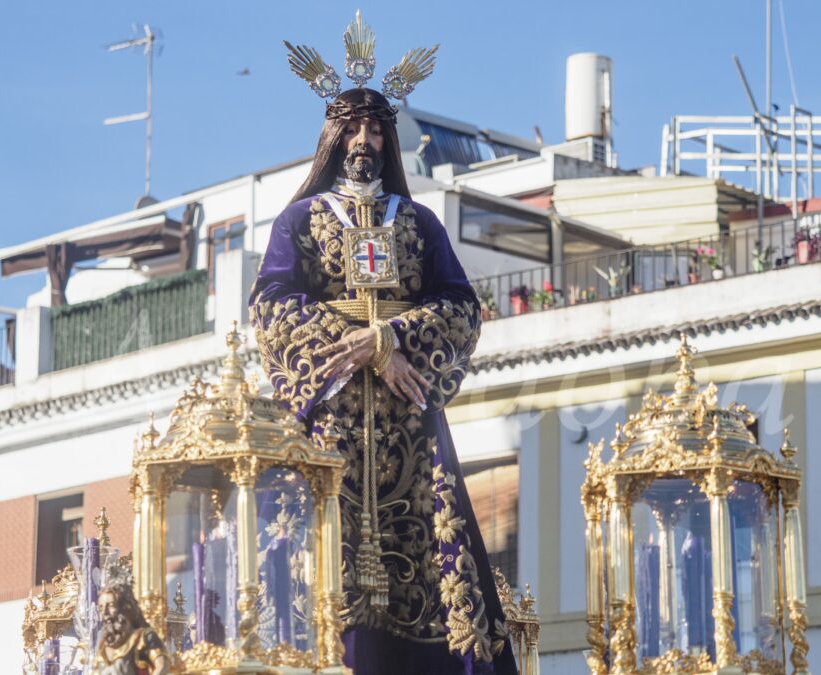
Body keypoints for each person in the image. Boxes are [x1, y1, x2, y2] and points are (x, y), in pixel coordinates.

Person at [249, 15, 517, 675]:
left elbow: (460, 305)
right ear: (334, 136)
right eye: (355, 127)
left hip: (408, 419)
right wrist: (363, 347)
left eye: (377, 128)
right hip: (331, 421)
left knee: (433, 553)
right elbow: (272, 304)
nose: (366, 139)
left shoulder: (420, 223)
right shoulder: (301, 221)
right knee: (322, 566)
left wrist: (393, 336)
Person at [93, 583, 171, 675]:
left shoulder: (143, 638)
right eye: (101, 607)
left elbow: (162, 665)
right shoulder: (103, 646)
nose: (105, 612)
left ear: (124, 607)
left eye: (110, 605)